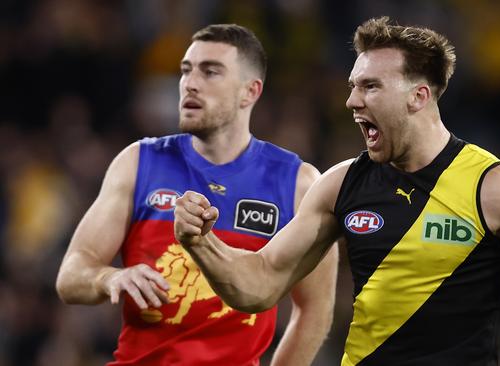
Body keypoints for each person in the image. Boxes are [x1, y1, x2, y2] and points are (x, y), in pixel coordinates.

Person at [173, 17, 500, 365]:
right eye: (353, 86)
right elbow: (258, 285)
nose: (352, 101)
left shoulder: (496, 189)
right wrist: (202, 243)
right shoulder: (341, 184)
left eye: (369, 86)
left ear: (419, 97)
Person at [55, 24, 338, 366]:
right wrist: (109, 276)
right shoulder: (138, 163)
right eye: (186, 70)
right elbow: (71, 274)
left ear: (250, 92)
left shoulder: (298, 184)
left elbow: (314, 311)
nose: (190, 83)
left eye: (210, 72)